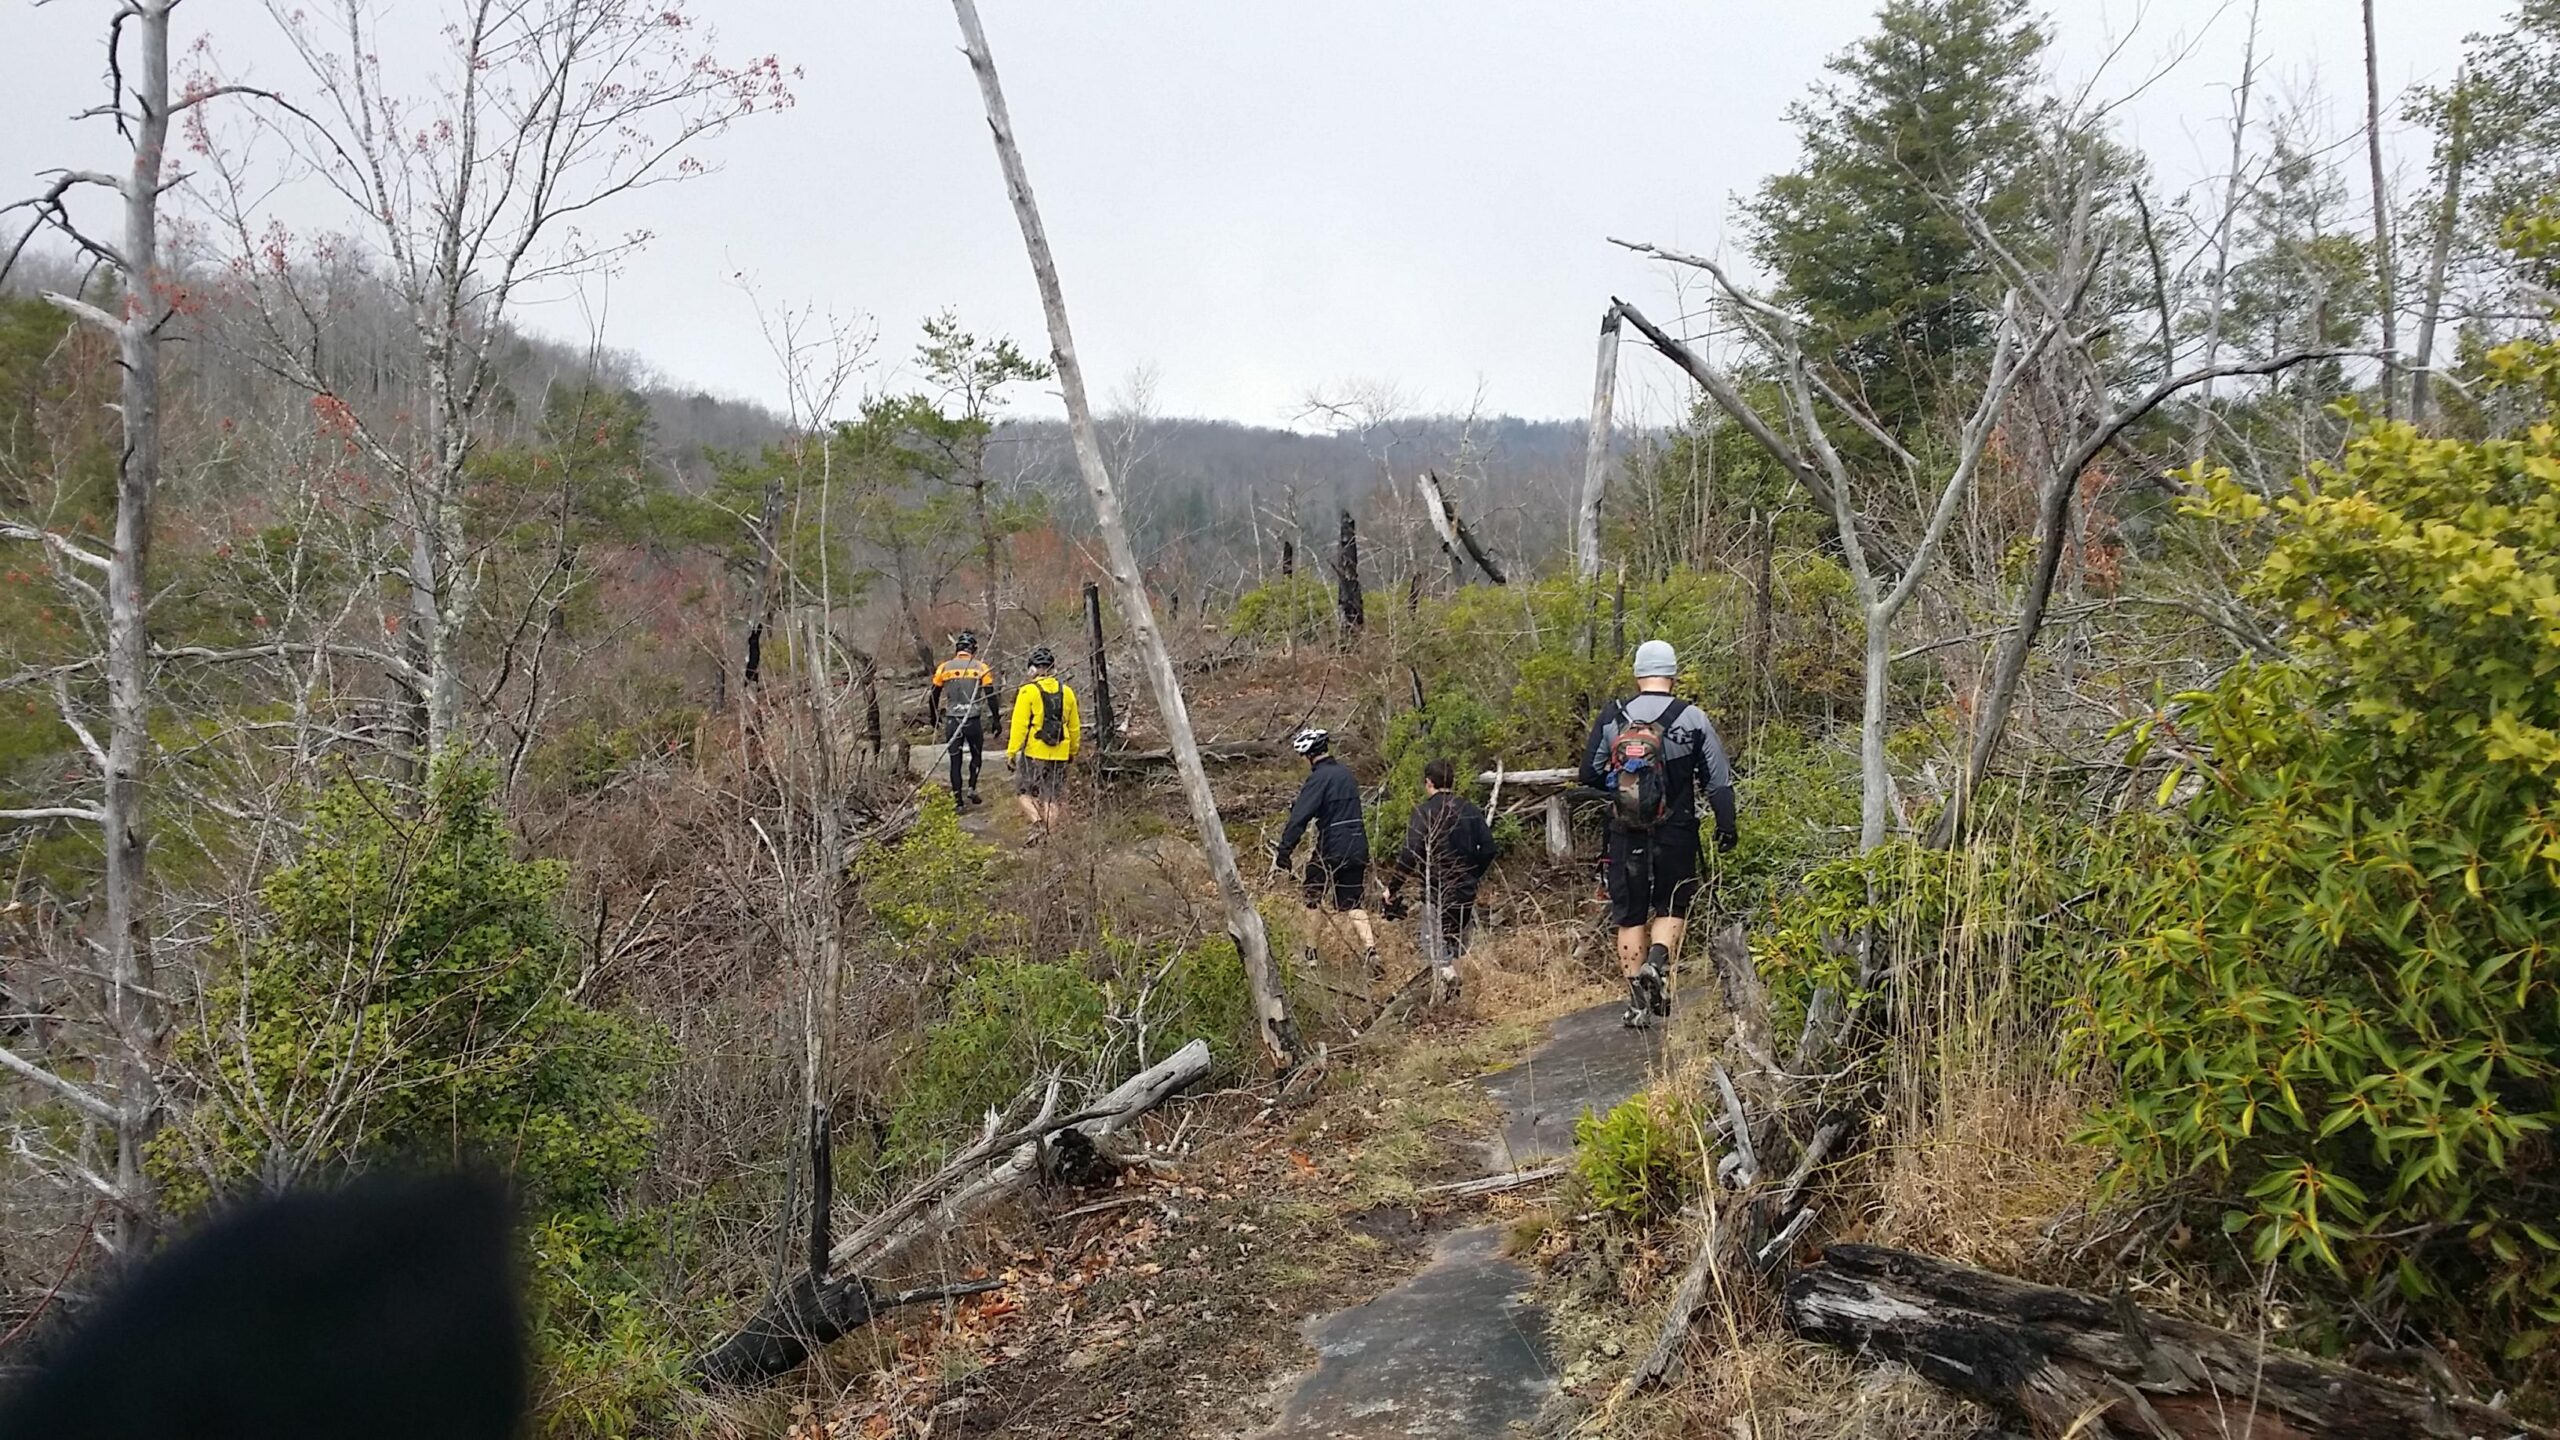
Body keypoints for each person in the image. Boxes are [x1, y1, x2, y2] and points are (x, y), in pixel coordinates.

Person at [1578, 639, 1737, 1028]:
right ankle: (1658, 962)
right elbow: (1717, 781)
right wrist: (1726, 826)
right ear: (1673, 675)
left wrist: (1624, 785)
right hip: (1676, 829)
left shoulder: (1613, 716)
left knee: (1630, 915)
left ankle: (1636, 1004)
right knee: (1671, 906)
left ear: (1637, 674)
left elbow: (1589, 774)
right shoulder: (1693, 718)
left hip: (1623, 831)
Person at [1382, 756, 1496, 999]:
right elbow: (1488, 848)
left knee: (1434, 947)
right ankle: (1454, 1001)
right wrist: (1473, 873)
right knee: (1455, 946)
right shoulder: (1470, 810)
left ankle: (1447, 982)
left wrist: (1393, 889)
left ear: (1428, 782)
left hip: (1436, 890)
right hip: (1465, 889)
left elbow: (1410, 853)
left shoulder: (1424, 813)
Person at [1273, 728, 1380, 973]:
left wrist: (1285, 850)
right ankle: (1371, 951)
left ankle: (1311, 954)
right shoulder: (1346, 774)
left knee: (1312, 895)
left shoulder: (1318, 779)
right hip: (1358, 842)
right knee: (1353, 902)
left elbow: (1299, 817)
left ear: (1309, 756)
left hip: (1332, 843)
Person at [1005, 645, 1079, 832]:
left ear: (1031, 669)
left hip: (1034, 752)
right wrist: (1072, 751)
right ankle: (1048, 834)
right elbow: (1074, 727)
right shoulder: (1068, 692)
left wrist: (1012, 752)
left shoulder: (1027, 691)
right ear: (1053, 669)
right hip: (1060, 752)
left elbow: (1019, 725)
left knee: (1023, 792)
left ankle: (1037, 824)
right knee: (1052, 796)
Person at [929, 631, 997, 808]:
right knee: (976, 755)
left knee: (955, 761)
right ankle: (972, 787)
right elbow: (991, 695)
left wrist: (933, 716)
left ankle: (957, 800)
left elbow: (933, 694)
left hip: (953, 720)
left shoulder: (944, 667)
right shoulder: (981, 667)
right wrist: (996, 718)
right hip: (973, 719)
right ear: (972, 650)